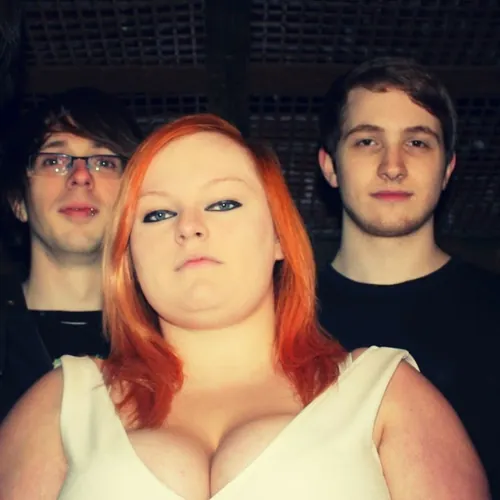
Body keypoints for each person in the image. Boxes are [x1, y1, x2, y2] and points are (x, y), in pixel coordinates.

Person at [0, 114, 489, 499]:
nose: (189, 227)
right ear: (128, 256)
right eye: (158, 212)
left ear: (279, 236)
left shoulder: (385, 394)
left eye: (224, 204)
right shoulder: (61, 402)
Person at [316, 56, 500, 497]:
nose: (393, 166)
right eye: (367, 141)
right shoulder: (274, 317)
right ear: (330, 166)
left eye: (417, 142)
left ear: (448, 168)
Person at [0, 87, 143, 421]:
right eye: (53, 161)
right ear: (18, 202)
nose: (80, 177)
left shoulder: (172, 337)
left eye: (104, 162)